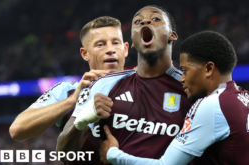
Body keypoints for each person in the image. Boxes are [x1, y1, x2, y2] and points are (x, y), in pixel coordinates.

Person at [101, 31, 249, 165]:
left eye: (185, 70)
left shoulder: (212, 105)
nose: (182, 78)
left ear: (209, 68)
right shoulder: (244, 97)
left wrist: (113, 154)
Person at [56, 5, 191, 162]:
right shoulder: (104, 85)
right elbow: (64, 154)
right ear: (132, 41)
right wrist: (81, 121)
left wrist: (115, 156)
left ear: (172, 35)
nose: (145, 22)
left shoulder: (190, 87)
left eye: (155, 19)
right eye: (137, 21)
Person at [9, 16, 129, 165]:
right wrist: (73, 101)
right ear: (85, 54)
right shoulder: (67, 90)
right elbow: (18, 129)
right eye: (100, 44)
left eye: (115, 42)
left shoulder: (149, 88)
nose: (110, 49)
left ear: (125, 49)